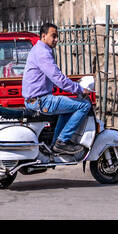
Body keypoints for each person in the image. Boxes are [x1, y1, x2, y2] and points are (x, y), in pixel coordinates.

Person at [21, 21, 92, 159]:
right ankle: (62, 142)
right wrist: (79, 89)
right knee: (84, 105)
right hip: (41, 101)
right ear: (43, 36)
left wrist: (72, 86)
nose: (56, 39)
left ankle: (57, 143)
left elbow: (54, 77)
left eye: (57, 36)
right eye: (53, 36)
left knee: (69, 107)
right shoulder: (43, 53)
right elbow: (57, 78)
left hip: (37, 99)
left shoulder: (39, 50)